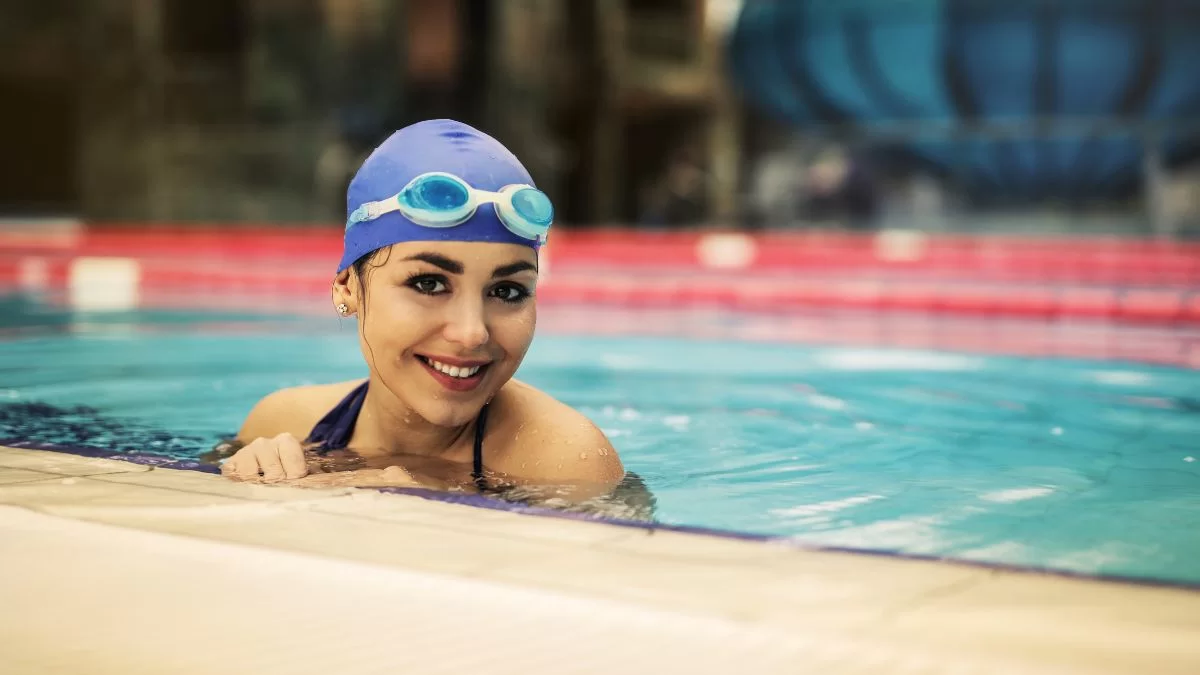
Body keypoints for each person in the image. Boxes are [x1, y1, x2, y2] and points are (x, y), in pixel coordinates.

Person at [221, 119, 642, 511]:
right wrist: (250, 482)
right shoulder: (284, 425)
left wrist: (436, 514)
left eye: (507, 291)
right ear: (347, 287)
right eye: (428, 284)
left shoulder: (567, 463)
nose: (471, 333)